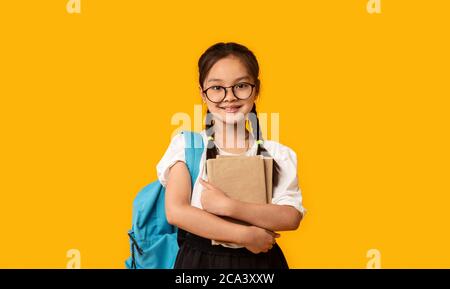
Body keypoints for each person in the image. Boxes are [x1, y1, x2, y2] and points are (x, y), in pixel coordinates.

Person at [158, 42, 306, 269]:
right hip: (199, 263)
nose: (229, 97)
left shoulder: (278, 153)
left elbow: (291, 217)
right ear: (202, 93)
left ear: (256, 89)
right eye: (217, 88)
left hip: (262, 264)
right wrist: (245, 236)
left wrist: (229, 206)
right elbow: (176, 212)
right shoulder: (187, 146)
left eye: (241, 86)